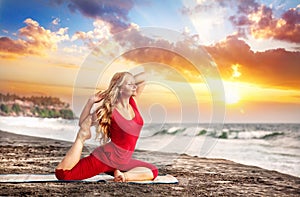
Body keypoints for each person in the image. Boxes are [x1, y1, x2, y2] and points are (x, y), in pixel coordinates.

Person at [55, 71, 158, 182]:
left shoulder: (132, 102)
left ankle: (123, 176)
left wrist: (128, 78)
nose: (134, 86)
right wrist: (90, 102)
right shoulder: (109, 110)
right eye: (129, 84)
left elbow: (144, 77)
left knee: (153, 170)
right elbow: (83, 123)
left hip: (123, 161)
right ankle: (80, 139)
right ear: (121, 89)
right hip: (106, 158)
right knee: (64, 175)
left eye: (134, 83)